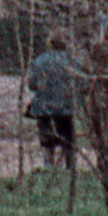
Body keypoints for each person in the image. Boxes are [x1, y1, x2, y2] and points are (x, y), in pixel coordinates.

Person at [25, 33, 76, 168]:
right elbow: (80, 83)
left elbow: (31, 84)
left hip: (43, 108)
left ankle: (48, 165)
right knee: (68, 139)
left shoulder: (39, 61)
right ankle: (70, 167)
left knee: (47, 141)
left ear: (50, 44)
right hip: (65, 107)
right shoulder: (71, 61)